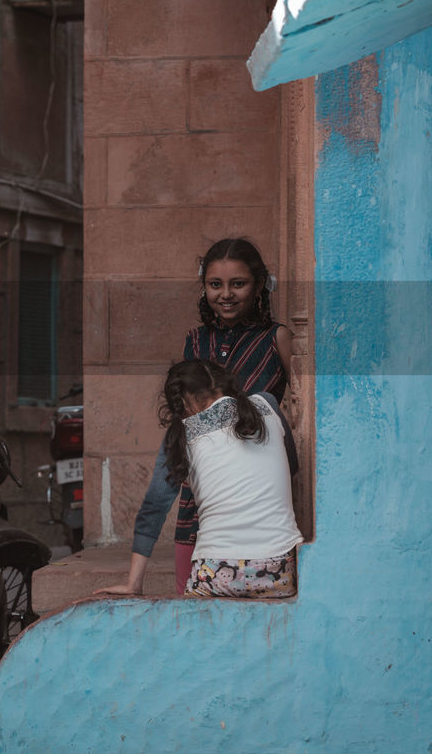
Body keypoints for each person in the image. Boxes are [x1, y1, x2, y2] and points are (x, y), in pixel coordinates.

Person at [97, 238, 294, 595]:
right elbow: (188, 418)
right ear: (204, 287)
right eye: (215, 285)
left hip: (257, 493)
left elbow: (296, 408)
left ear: (260, 284)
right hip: (199, 490)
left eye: (238, 283)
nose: (226, 294)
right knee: (193, 597)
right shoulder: (196, 339)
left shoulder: (276, 338)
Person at [99, 359, 302, 598]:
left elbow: (154, 507)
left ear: (185, 400)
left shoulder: (182, 433)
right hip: (280, 571)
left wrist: (133, 584)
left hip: (216, 573)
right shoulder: (267, 404)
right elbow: (292, 466)